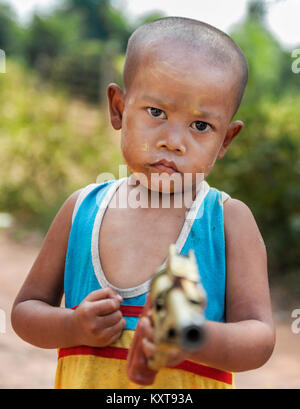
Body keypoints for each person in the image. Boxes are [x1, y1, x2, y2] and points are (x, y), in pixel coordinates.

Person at [11, 16, 275, 389]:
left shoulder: (227, 221)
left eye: (200, 126)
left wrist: (192, 337)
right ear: (118, 108)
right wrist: (72, 326)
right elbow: (25, 313)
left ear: (226, 140)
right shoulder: (81, 210)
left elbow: (260, 338)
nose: (173, 140)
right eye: (157, 112)